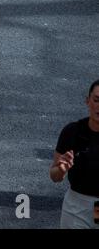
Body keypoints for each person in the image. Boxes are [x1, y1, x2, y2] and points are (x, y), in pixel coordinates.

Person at [50, 79, 99, 229]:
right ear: (87, 101)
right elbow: (54, 176)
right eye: (96, 100)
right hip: (77, 207)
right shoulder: (72, 132)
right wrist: (61, 169)